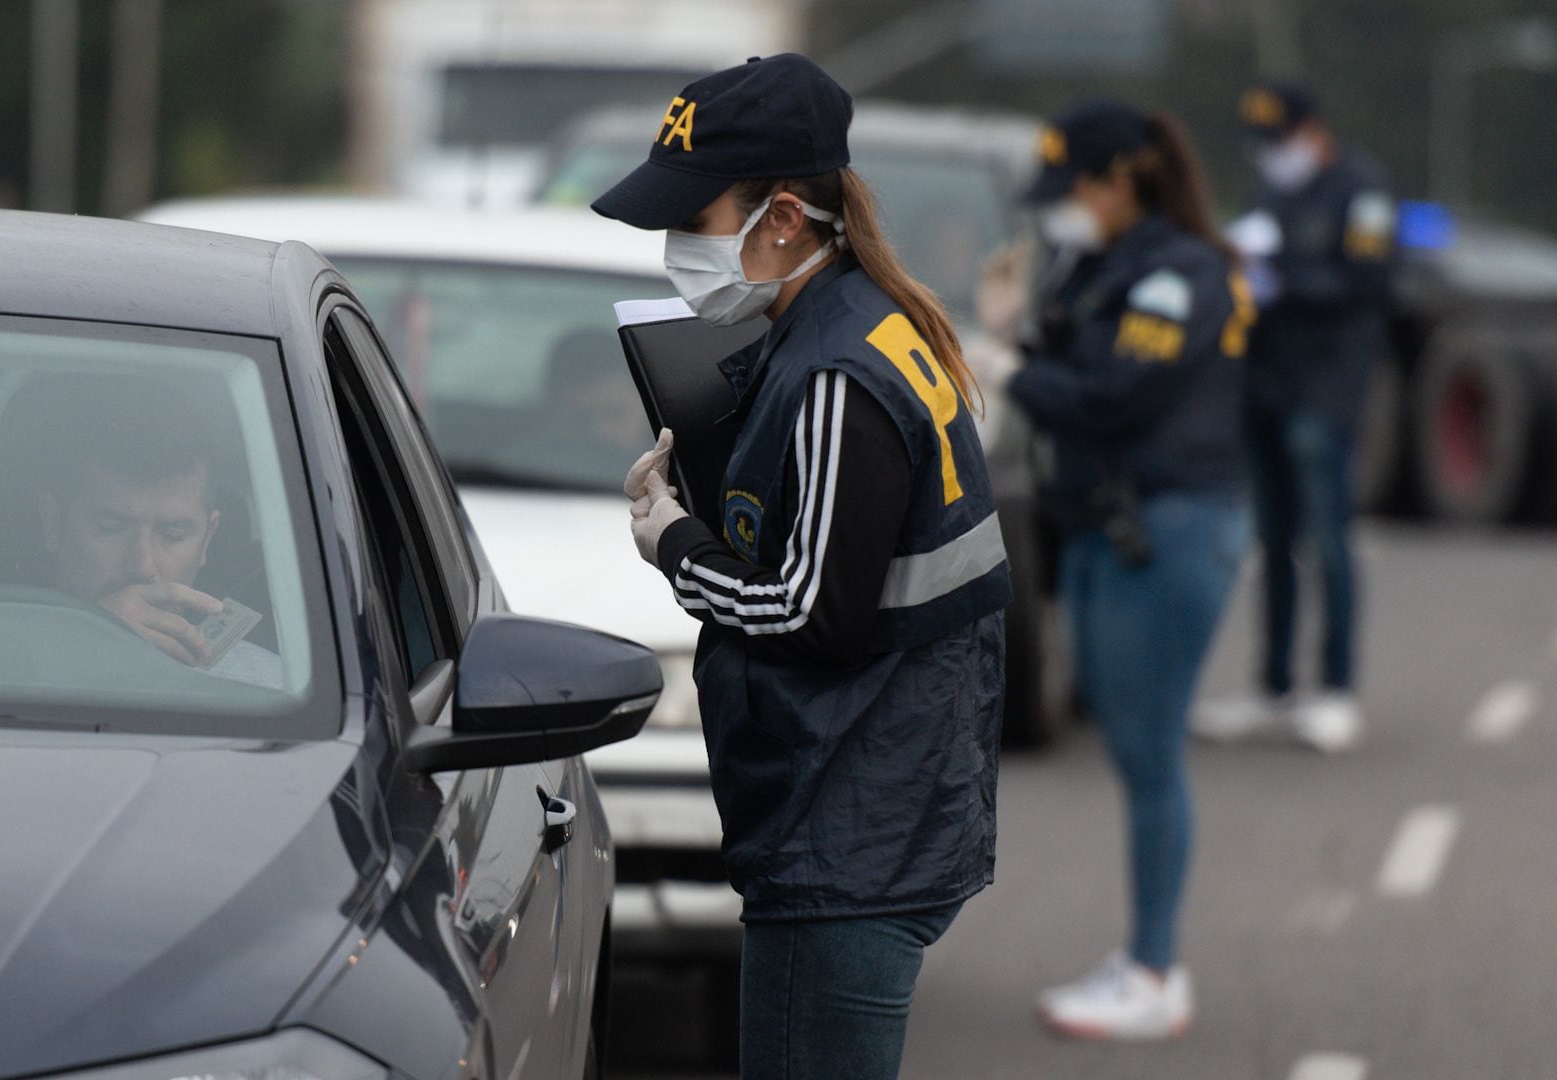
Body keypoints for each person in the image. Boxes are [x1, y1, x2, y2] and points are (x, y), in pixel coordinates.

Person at [591, 54, 1010, 1079]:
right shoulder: (861, 321)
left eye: (692, 219)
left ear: (781, 216)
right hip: (888, 805)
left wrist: (673, 543)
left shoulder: (834, 372)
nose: (672, 247)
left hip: (846, 832)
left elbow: (810, 614)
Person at [1005, 101, 1252, 1040]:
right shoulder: (1107, 263)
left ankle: (1155, 970)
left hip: (1173, 528)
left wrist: (1010, 363)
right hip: (1115, 527)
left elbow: (1114, 395)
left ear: (1122, 182)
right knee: (1123, 732)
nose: (1061, 212)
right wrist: (1018, 329)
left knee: (1149, 753)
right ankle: (1147, 955)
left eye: (1073, 192)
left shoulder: (1183, 273)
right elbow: (1079, 364)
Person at [1196, 81, 1395, 753]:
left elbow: (1369, 285)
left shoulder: (1362, 190)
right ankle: (1272, 685)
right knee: (1273, 542)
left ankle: (1336, 688)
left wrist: (1284, 275)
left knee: (1329, 542)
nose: (1273, 154)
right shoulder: (1272, 192)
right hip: (1268, 388)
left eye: (1282, 140)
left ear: (1315, 132)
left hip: (1327, 390)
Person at [36, 386, 283, 688]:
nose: (141, 566)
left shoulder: (268, 690)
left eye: (172, 535)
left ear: (207, 538)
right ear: (53, 523)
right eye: (111, 528)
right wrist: (82, 642)